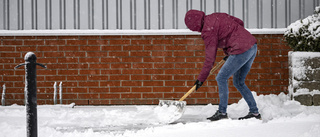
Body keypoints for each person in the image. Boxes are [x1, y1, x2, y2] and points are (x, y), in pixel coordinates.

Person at [184, 9, 261, 121]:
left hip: (240, 50)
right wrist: (234, 44)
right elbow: (239, 22)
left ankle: (222, 112)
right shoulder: (216, 16)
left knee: (221, 78)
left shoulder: (208, 31)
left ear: (194, 26)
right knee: (238, 82)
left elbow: (210, 59)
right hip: (252, 46)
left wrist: (201, 79)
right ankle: (254, 112)